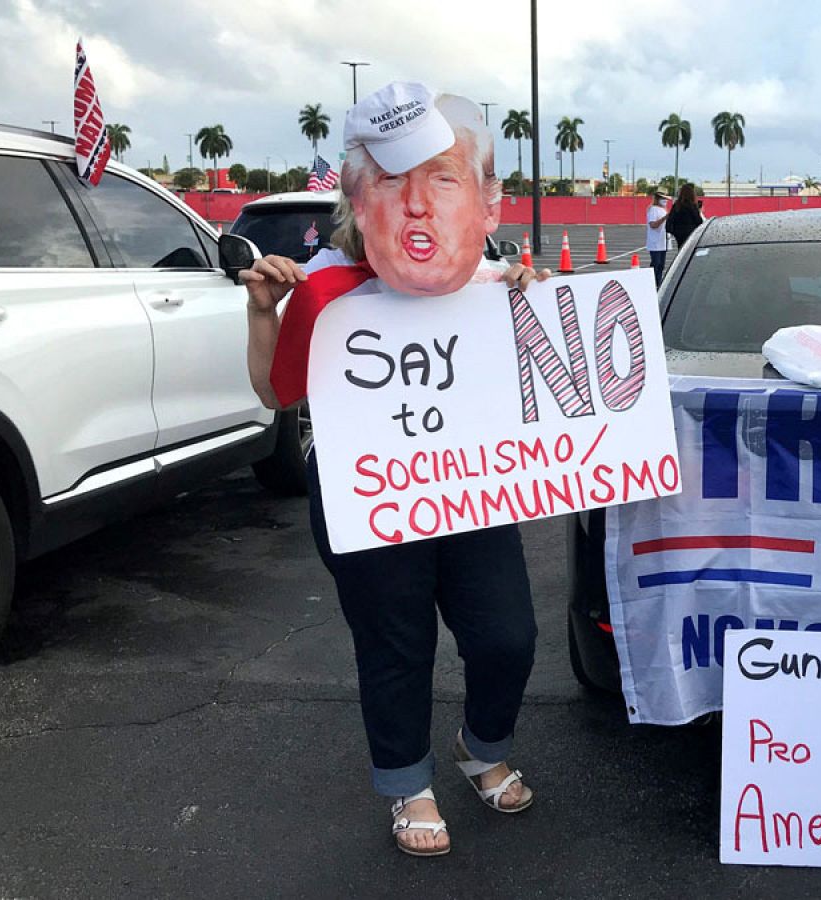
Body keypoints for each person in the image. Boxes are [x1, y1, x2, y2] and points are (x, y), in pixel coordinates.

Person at [242, 82, 551, 859]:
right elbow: (277, 391)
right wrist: (263, 313)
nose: (416, 203)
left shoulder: (487, 283)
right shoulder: (328, 289)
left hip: (472, 490)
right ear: (360, 198)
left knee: (507, 635)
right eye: (391, 180)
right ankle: (409, 784)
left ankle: (481, 745)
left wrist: (537, 300)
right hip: (368, 496)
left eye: (439, 179)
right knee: (394, 642)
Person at [665, 182, 704, 250]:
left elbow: (670, 220)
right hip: (691, 233)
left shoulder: (677, 205)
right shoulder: (692, 206)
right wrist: (699, 211)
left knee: (681, 250)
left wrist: (675, 232)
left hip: (679, 234)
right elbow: (699, 221)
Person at [645, 189, 669, 287]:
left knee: (661, 265)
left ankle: (658, 284)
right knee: (656, 264)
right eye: (663, 198)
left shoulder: (663, 209)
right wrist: (664, 218)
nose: (665, 201)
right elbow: (653, 225)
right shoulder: (653, 209)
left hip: (663, 241)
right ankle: (652, 284)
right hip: (655, 243)